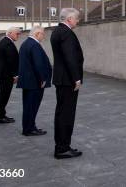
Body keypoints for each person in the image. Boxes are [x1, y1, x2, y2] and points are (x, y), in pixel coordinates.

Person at [51, 8, 84, 159]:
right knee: (66, 114)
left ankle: (62, 145)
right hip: (67, 80)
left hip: (61, 79)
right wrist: (76, 78)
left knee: (61, 113)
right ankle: (63, 148)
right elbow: (70, 57)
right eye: (77, 18)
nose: (78, 21)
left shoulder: (57, 31)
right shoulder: (66, 33)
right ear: (70, 19)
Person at [17, 26, 52, 136]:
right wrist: (43, 78)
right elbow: (39, 64)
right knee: (32, 106)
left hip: (28, 81)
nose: (43, 36)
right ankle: (30, 129)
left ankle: (28, 127)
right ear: (37, 34)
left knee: (28, 106)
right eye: (42, 33)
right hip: (35, 82)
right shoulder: (35, 45)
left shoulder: (25, 44)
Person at [0, 27, 21, 124]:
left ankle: (1, 115)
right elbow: (10, 61)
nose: (18, 35)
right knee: (3, 96)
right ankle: (0, 117)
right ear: (10, 33)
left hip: (3, 73)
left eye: (19, 33)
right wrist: (15, 75)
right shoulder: (7, 44)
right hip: (5, 75)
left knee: (3, 95)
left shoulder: (5, 42)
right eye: (17, 33)